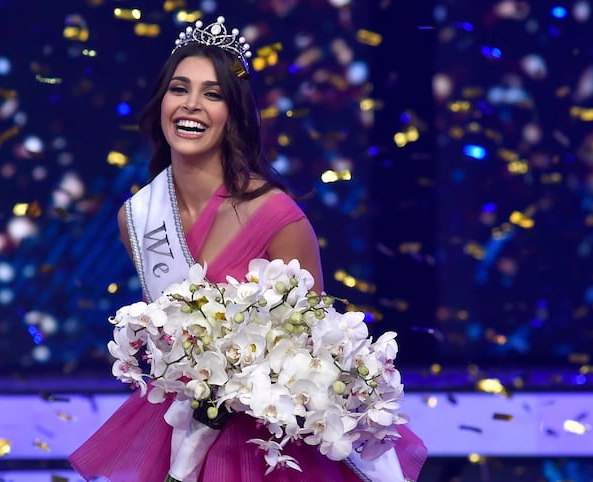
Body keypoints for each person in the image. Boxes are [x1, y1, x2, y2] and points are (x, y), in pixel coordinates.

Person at [69, 16, 427, 482]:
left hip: (267, 447)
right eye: (180, 89)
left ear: (233, 113)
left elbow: (317, 352)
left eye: (212, 94)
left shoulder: (277, 215)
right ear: (162, 103)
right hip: (179, 428)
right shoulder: (138, 218)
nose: (191, 105)